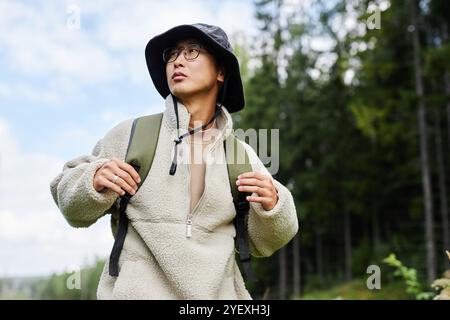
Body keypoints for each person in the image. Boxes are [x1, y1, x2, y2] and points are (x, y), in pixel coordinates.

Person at [50, 23, 299, 300]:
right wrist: (92, 178)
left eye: (193, 51)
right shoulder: (132, 136)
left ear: (220, 72)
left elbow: (267, 241)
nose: (178, 61)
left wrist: (274, 205)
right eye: (173, 54)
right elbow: (69, 202)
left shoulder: (241, 156)